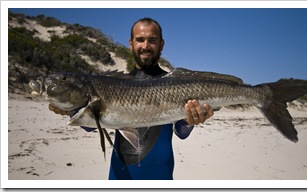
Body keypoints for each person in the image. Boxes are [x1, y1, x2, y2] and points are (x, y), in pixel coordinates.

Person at [50, 17, 214, 180]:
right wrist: (72, 110)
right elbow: (91, 126)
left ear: (161, 44)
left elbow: (181, 132)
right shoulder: (114, 84)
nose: (145, 45)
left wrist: (190, 121)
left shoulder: (175, 83)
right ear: (131, 44)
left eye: (152, 40)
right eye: (140, 40)